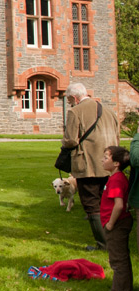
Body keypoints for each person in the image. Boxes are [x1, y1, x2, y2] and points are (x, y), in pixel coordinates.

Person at [61, 83, 119, 251]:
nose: (70, 102)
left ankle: (103, 245)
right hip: (109, 164)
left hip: (88, 165)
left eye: (69, 99)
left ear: (73, 98)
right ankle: (113, 240)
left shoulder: (75, 111)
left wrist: (63, 142)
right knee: (105, 201)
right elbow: (117, 136)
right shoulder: (108, 110)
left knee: (91, 203)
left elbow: (71, 139)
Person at [99, 146, 132, 290]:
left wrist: (110, 224)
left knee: (118, 261)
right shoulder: (114, 178)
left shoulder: (116, 180)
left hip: (117, 224)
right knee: (120, 259)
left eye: (106, 158)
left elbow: (118, 205)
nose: (102, 160)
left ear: (116, 163)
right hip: (116, 223)